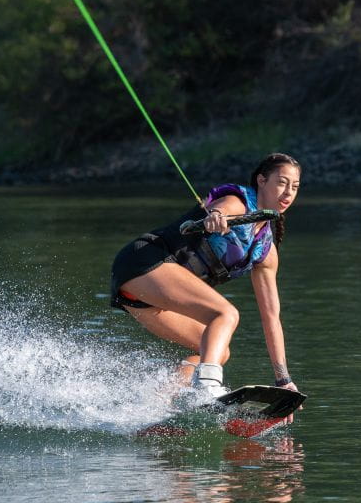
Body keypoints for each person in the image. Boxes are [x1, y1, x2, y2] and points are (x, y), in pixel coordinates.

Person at [110, 153, 302, 402]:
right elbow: (221, 208)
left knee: (217, 350)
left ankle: (160, 403)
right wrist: (215, 216)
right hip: (144, 262)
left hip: (146, 297)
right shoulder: (239, 202)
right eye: (281, 182)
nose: (288, 193)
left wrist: (283, 380)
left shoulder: (265, 251)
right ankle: (208, 387)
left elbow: (271, 318)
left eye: (295, 187)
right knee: (225, 314)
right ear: (262, 180)